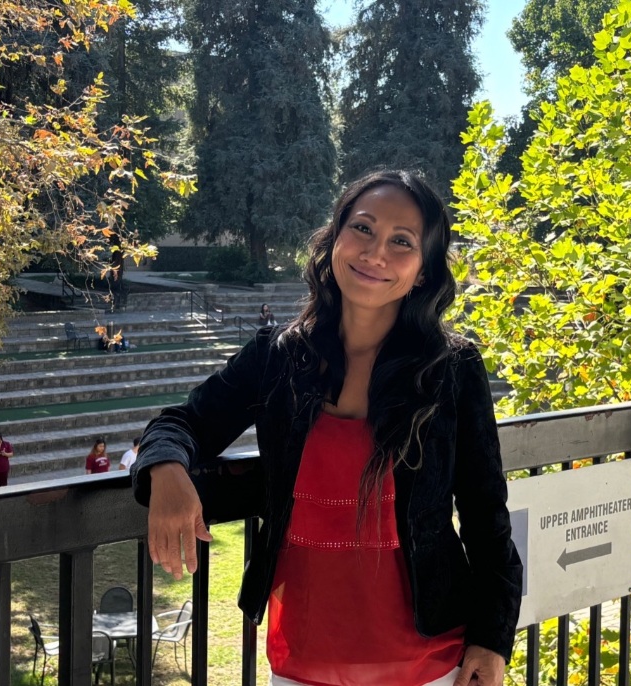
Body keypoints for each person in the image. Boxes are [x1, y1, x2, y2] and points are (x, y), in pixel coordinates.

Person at [132, 170, 522, 686]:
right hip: (303, 658)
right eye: (362, 228)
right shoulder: (277, 357)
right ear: (335, 238)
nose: (376, 252)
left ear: (423, 271)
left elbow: (485, 513)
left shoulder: (451, 369)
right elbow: (182, 422)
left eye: (401, 242)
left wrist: (493, 639)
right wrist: (166, 470)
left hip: (431, 662)